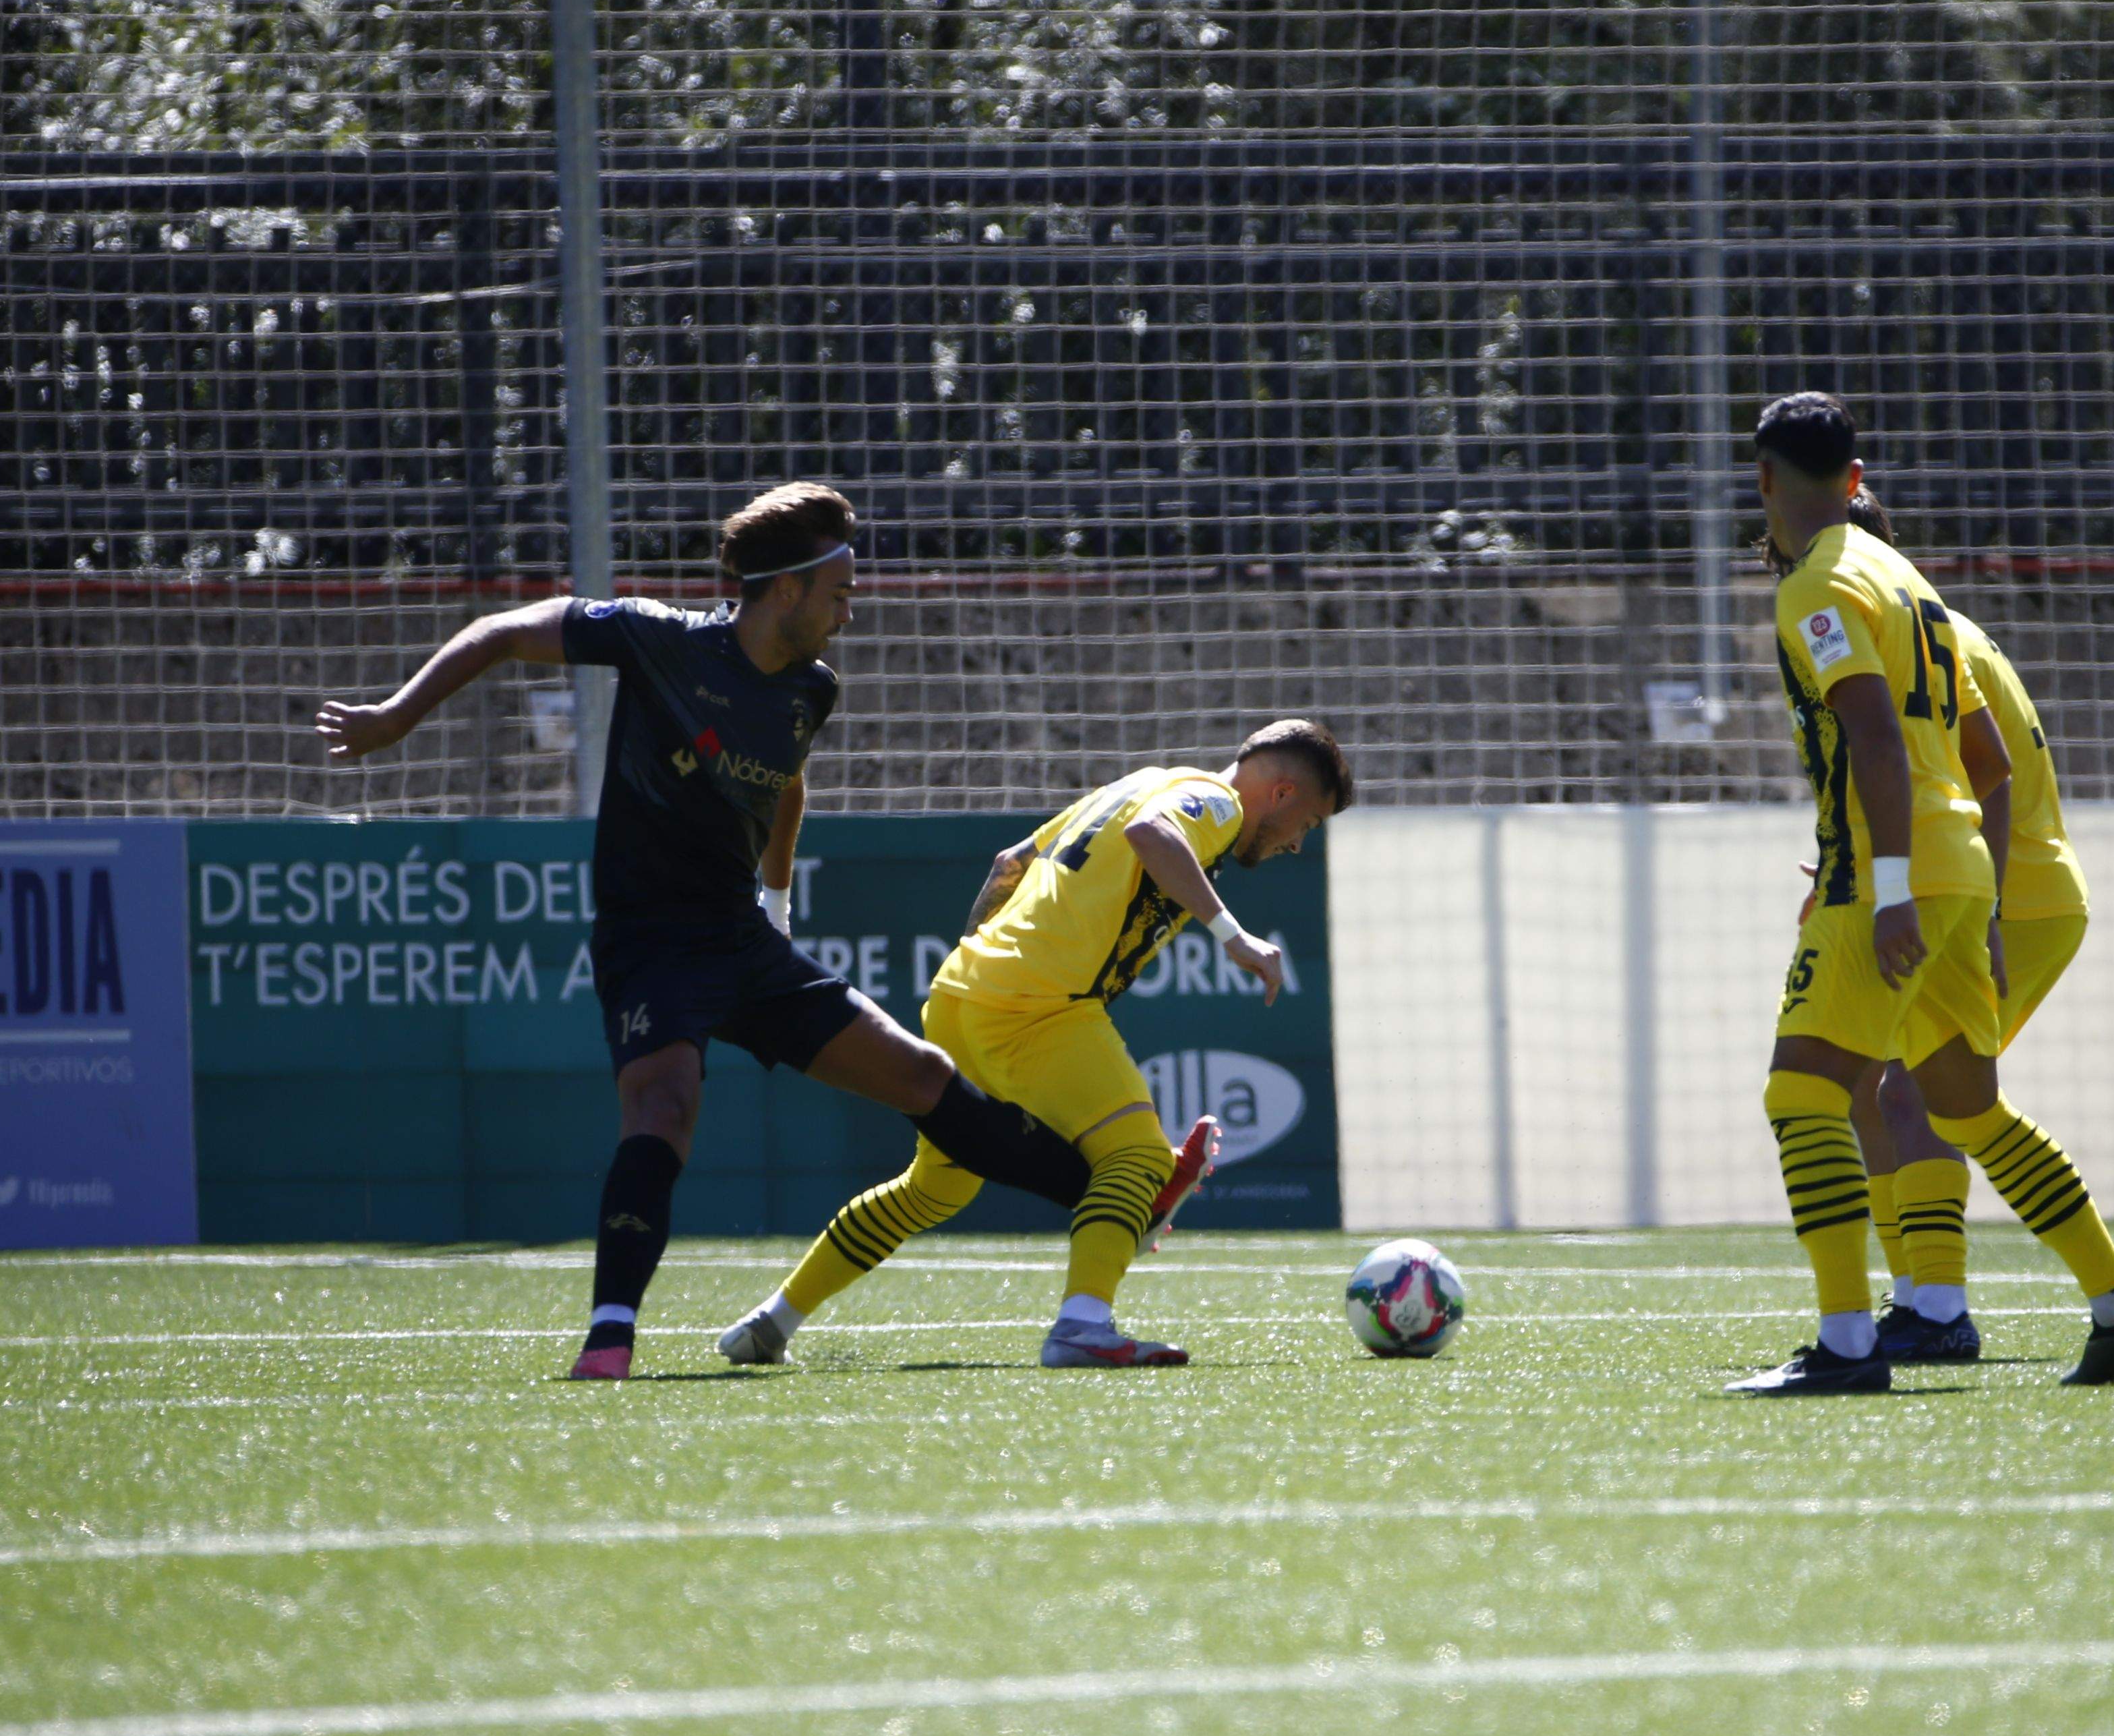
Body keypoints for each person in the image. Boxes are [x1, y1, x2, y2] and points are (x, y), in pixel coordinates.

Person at [312, 481, 1202, 1380]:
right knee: (665, 1109)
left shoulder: (810, 691)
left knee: (926, 1077)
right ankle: (610, 1337)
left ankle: (1128, 1194)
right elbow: (507, 631)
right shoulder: (658, 641)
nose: (850, 613)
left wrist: (776, 907)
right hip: (651, 942)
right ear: (788, 591)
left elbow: (789, 779)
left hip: (744, 943)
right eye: (842, 593)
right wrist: (396, 718)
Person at [1726, 395, 2114, 1395]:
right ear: (1855, 476)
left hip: (1898, 873)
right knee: (1968, 1110)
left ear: (1763, 481)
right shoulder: (1908, 581)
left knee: (1801, 1092)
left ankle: (1846, 1347)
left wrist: (1886, 891)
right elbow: (1984, 755)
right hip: (1966, 869)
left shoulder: (1817, 587)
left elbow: (1878, 738)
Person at [715, 720, 1352, 1370]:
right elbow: (1152, 835)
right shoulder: (1216, 803)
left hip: (964, 994)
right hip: (1040, 1006)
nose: (1300, 843)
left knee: (934, 1187)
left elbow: (1009, 864)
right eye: (1312, 821)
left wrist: (978, 963)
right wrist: (1236, 938)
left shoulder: (1141, 781)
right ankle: (1082, 1325)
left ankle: (774, 1321)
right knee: (1138, 1159)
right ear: (1280, 793)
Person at [1849, 587, 2095, 1364]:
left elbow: (1982, 776)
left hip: (2004, 897)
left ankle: (1940, 1310)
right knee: (1878, 1085)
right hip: (1988, 889)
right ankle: (1916, 1301)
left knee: (1917, 1092)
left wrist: (1982, 908)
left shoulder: (1910, 640)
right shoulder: (1937, 629)